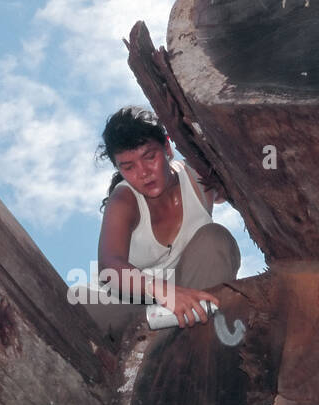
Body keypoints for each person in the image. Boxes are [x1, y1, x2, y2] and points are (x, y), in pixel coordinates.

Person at [70, 106, 240, 343]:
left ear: (168, 148)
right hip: (133, 302)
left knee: (215, 237)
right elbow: (109, 266)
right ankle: (152, 336)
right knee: (77, 298)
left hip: (192, 289)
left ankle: (197, 338)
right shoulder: (123, 200)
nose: (143, 173)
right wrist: (161, 291)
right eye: (128, 167)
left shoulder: (200, 179)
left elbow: (247, 187)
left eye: (150, 157)